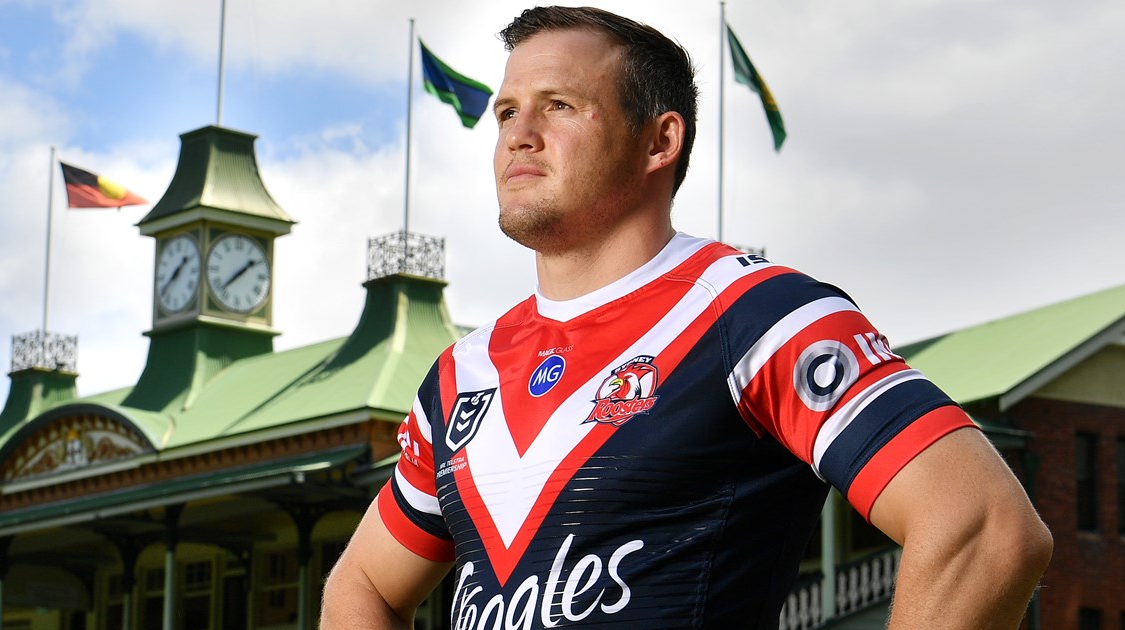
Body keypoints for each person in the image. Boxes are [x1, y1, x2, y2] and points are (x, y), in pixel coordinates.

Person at [323, 6, 1051, 628]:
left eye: (560, 105)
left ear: (659, 141)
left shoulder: (760, 315)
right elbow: (362, 585)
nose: (519, 133)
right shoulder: (462, 374)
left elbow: (984, 526)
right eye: (508, 111)